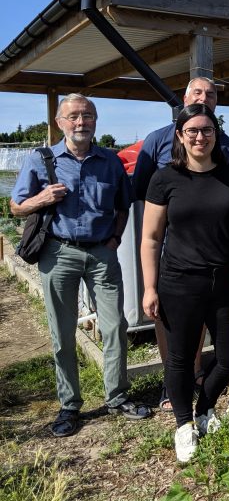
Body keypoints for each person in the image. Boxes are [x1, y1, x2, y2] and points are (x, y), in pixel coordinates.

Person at [10, 93, 150, 438]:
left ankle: (117, 396)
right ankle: (69, 405)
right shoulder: (41, 159)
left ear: (95, 121)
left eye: (87, 116)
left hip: (102, 253)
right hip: (58, 253)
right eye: (72, 116)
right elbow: (15, 206)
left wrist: (115, 239)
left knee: (116, 325)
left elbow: (123, 206)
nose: (80, 122)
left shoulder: (110, 162)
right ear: (59, 123)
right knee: (62, 333)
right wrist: (40, 200)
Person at [140, 103, 229, 462]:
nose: (200, 137)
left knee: (227, 360)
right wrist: (149, 287)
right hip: (179, 283)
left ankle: (205, 410)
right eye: (192, 130)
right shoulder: (165, 179)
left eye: (207, 130)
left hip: (223, 281)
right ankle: (183, 425)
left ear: (216, 135)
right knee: (179, 360)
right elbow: (150, 238)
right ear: (180, 135)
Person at [132, 76, 229, 413]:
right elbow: (143, 197)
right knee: (178, 335)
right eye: (198, 92)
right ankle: (175, 386)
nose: (204, 98)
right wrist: (150, 284)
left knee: (217, 340)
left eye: (211, 94)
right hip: (176, 261)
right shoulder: (157, 141)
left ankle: (197, 385)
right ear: (184, 98)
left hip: (218, 264)